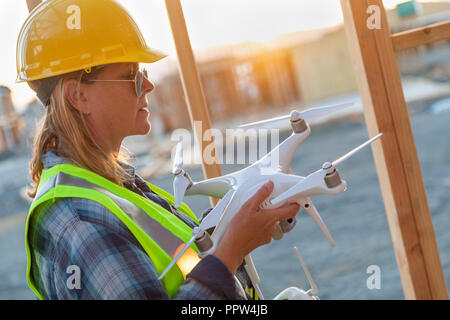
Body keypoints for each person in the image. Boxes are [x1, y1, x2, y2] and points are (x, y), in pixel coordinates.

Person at [18, 0, 300, 300]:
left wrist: (238, 216)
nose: (148, 85)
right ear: (79, 96)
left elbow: (178, 263)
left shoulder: (107, 185)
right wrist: (229, 252)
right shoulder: (78, 218)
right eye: (132, 77)